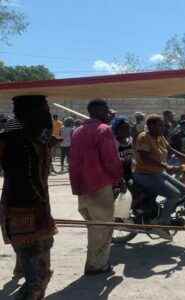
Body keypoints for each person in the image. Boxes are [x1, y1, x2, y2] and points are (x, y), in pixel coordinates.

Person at [0, 95, 57, 299]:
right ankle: (32, 288)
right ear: (30, 114)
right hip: (21, 206)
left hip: (39, 203)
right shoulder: (12, 140)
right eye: (44, 110)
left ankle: (31, 281)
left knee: (41, 248)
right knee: (32, 251)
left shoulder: (37, 137)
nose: (48, 115)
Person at [69, 99, 123, 275]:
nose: (109, 114)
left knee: (93, 228)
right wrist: (118, 179)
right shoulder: (104, 130)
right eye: (106, 111)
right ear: (99, 111)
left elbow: (74, 161)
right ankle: (97, 266)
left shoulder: (77, 131)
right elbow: (110, 160)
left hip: (82, 186)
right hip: (99, 185)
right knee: (103, 228)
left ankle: (93, 263)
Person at [133, 114, 185, 239]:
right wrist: (166, 166)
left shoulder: (160, 137)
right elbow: (145, 157)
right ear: (150, 126)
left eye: (162, 125)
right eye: (160, 125)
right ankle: (159, 223)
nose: (162, 127)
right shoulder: (144, 137)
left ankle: (166, 213)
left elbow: (171, 149)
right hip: (145, 174)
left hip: (159, 173)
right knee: (174, 195)